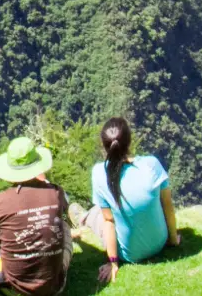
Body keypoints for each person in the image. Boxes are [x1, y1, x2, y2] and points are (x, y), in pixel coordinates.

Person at [0, 136, 72, 295]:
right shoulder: (56, 192)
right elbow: (66, 201)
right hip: (53, 288)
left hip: (13, 289)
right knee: (64, 226)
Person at [83, 117, 179, 286]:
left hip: (128, 254)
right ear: (129, 141)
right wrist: (172, 239)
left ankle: (81, 217)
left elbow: (109, 222)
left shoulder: (99, 173)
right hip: (159, 243)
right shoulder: (151, 165)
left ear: (104, 146)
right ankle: (82, 216)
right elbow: (168, 206)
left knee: (98, 214)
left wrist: (113, 262)